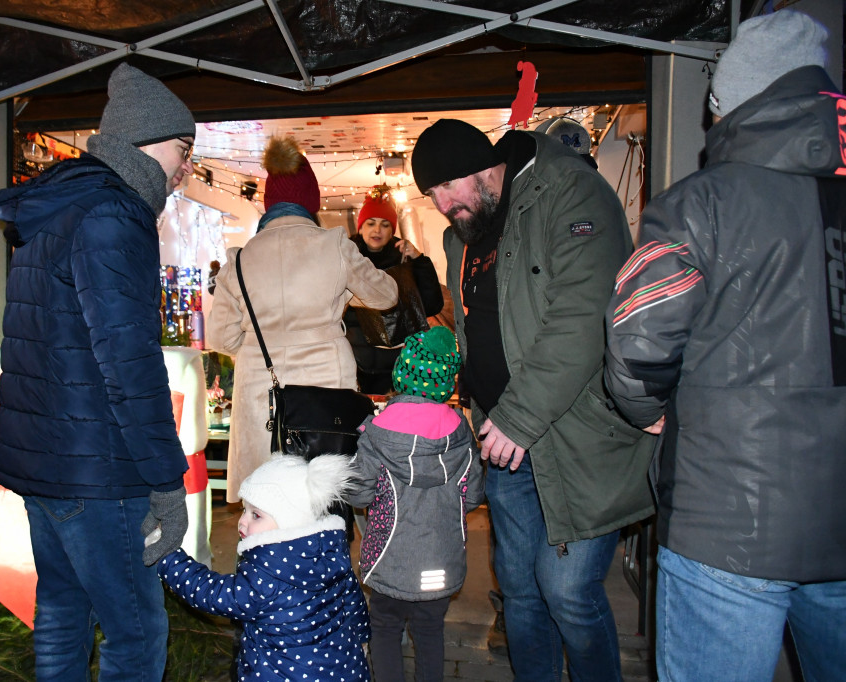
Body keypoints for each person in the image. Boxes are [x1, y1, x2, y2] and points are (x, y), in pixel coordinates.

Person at [604, 10, 846, 681]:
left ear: (728, 104)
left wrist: (647, 409)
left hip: (726, 518)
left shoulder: (699, 204)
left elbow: (636, 339)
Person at [410, 119, 655, 682]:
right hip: (505, 443)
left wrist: (518, 418)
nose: (444, 204)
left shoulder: (568, 191)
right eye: (434, 195)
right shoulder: (463, 236)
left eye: (449, 187)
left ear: (483, 166)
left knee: (566, 590)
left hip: (577, 438)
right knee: (519, 592)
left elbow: (584, 315)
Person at [0, 63, 193, 681]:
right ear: (145, 142)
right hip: (98, 474)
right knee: (134, 632)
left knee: (60, 614)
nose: (186, 168)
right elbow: (130, 365)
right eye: (183, 150)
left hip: (44, 466)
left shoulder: (60, 206)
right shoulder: (114, 215)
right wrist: (166, 482)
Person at [207, 135, 397, 503]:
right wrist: (344, 293)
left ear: (268, 202)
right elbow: (386, 295)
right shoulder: (335, 246)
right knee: (322, 501)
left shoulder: (239, 260)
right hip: (323, 396)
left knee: (266, 505)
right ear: (311, 201)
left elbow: (221, 339)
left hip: (260, 395)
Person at [156, 454, 371, 682]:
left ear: (289, 522)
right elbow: (355, 605)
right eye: (243, 510)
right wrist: (362, 639)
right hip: (344, 670)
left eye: (256, 515)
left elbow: (212, 593)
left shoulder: (268, 574)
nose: (242, 521)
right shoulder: (332, 556)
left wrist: (169, 558)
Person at [348, 326, 484, 682]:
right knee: (429, 632)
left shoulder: (376, 434)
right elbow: (472, 496)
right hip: (440, 563)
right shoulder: (461, 435)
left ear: (401, 374)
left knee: (385, 629)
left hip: (387, 560)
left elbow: (360, 494)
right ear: (448, 384)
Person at [344, 186, 444, 394]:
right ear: (360, 227)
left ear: (393, 229)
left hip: (399, 370)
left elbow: (432, 305)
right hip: (354, 368)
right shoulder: (345, 258)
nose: (377, 230)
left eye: (385, 224)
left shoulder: (405, 259)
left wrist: (419, 261)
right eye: (370, 223)